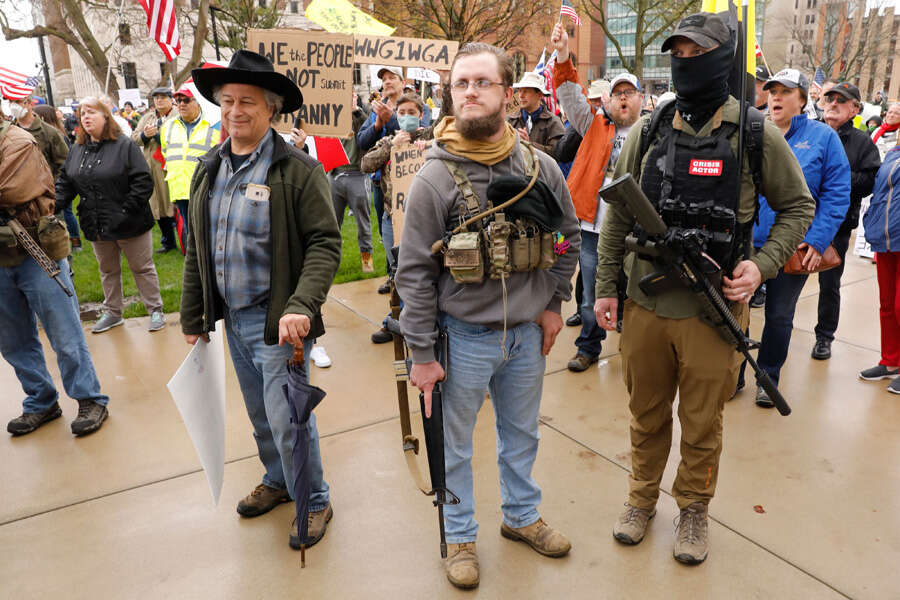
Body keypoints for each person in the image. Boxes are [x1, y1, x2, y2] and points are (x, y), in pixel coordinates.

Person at [592, 14, 814, 564]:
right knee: (645, 413)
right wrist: (605, 287)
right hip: (644, 303)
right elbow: (617, 212)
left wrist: (762, 265)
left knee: (702, 421)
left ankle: (693, 508)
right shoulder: (650, 127)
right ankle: (641, 499)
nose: (686, 61)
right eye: (679, 51)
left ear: (724, 58)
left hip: (712, 310)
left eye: (699, 51)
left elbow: (798, 205)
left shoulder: (755, 131)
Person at [397, 41, 580, 589]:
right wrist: (422, 355)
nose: (471, 92)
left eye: (483, 82)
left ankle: (521, 517)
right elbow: (413, 274)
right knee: (453, 445)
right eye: (461, 84)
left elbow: (567, 238)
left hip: (526, 335)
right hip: (462, 339)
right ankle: (458, 534)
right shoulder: (434, 177)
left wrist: (553, 302)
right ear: (450, 94)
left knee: (521, 435)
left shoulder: (539, 167)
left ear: (507, 92)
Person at [182, 50, 342, 549]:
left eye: (247, 102)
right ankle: (278, 480)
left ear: (271, 109)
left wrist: (302, 304)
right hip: (234, 320)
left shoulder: (296, 170)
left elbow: (324, 243)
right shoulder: (210, 168)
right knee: (261, 415)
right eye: (227, 101)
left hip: (279, 322)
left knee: (288, 416)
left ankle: (314, 499)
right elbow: (198, 247)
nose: (235, 112)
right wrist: (194, 313)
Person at [1, 107, 111, 437]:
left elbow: (14, 190)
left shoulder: (17, 141)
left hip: (35, 252)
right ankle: (41, 400)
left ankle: (90, 399)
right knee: (13, 340)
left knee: (64, 334)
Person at [752, 69, 850, 406]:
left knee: (779, 316)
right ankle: (731, 375)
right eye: (772, 91)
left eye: (785, 91)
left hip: (793, 246)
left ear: (804, 99)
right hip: (746, 243)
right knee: (732, 312)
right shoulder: (753, 131)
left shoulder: (823, 138)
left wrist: (818, 240)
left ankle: (767, 378)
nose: (776, 97)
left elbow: (837, 194)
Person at [552, 26, 643, 374]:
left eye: (629, 92)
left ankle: (634, 349)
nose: (623, 97)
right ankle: (588, 346)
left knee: (635, 294)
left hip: (634, 232)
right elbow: (569, 93)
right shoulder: (593, 124)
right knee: (590, 295)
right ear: (606, 99)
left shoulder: (649, 132)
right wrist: (563, 54)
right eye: (617, 92)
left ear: (640, 99)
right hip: (592, 229)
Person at [56, 97, 165, 334]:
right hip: (96, 225)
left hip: (130, 222)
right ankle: (113, 312)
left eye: (92, 112)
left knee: (142, 267)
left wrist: (125, 210)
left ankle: (155, 310)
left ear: (106, 117)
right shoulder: (77, 150)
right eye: (82, 113)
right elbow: (65, 182)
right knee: (107, 270)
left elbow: (143, 182)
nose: (86, 117)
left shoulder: (124, 146)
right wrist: (51, 205)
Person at [811, 82, 881, 360]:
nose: (834, 104)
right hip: (798, 223)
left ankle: (824, 337)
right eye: (830, 99)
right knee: (784, 283)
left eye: (842, 100)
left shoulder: (863, 141)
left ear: (854, 109)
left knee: (829, 286)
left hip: (836, 226)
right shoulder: (809, 131)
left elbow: (869, 180)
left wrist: (834, 177)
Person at [361, 92, 433, 343]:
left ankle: (423, 321)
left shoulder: (430, 136)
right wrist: (392, 146)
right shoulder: (389, 140)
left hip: (426, 218)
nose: (406, 118)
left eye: (411, 113)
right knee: (398, 271)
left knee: (425, 270)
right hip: (394, 217)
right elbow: (366, 164)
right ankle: (396, 320)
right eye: (401, 113)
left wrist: (428, 147)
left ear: (421, 115)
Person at [860, 139, 900, 392]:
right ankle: (891, 361)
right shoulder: (892, 153)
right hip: (885, 239)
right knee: (887, 305)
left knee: (899, 306)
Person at [159, 85, 220, 241]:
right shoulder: (168, 126)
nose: (181, 104)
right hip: (180, 190)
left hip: (206, 190)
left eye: (186, 100)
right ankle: (196, 264)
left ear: (198, 102)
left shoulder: (213, 125)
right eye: (178, 100)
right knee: (191, 234)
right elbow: (166, 152)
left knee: (209, 234)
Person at [358, 66, 405, 241]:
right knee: (386, 233)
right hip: (380, 183)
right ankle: (390, 268)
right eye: (384, 79)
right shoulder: (376, 109)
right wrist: (377, 125)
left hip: (407, 180)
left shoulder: (415, 106)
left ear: (403, 82)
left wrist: (391, 119)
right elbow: (362, 141)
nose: (387, 82)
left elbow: (415, 136)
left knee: (409, 232)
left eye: (392, 77)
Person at [330, 94, 375, 273]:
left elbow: (369, 130)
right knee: (333, 224)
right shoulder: (333, 116)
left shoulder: (360, 117)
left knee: (363, 225)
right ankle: (332, 263)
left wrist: (355, 110)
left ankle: (367, 263)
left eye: (352, 95)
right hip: (335, 175)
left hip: (357, 175)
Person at [133, 87, 179, 253]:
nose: (159, 101)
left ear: (170, 99)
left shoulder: (177, 116)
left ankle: (185, 239)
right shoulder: (147, 117)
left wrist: (157, 135)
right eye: (156, 98)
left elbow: (178, 138)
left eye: (163, 97)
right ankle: (168, 242)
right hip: (152, 166)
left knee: (174, 204)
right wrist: (145, 136)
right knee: (157, 205)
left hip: (172, 166)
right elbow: (134, 138)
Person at [33, 104, 82, 252]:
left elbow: (65, 162)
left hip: (57, 184)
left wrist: (57, 182)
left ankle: (75, 241)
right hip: (52, 184)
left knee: (66, 213)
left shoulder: (55, 134)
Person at [7, 95, 68, 178]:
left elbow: (64, 164)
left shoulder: (50, 132)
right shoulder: (8, 132)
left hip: (44, 187)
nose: (13, 105)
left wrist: (54, 186)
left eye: (17, 102)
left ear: (30, 103)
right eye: (10, 101)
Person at [507, 71, 566, 155]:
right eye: (520, 91)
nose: (521, 95)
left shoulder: (553, 122)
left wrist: (529, 144)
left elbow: (558, 153)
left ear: (539, 95)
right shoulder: (510, 120)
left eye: (526, 91)